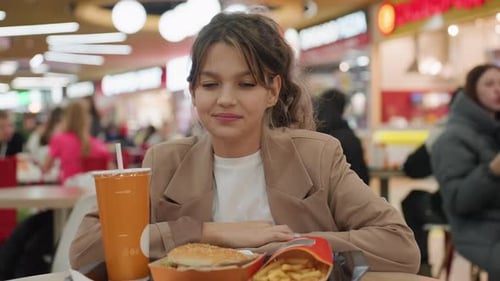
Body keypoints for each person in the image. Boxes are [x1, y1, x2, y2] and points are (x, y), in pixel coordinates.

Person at [69, 12, 419, 273]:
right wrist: (207, 234)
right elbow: (85, 253)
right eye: (209, 85)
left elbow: (400, 246)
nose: (225, 99)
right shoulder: (164, 162)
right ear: (193, 92)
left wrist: (293, 248)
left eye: (246, 84)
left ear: (272, 91)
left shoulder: (317, 155)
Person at [431, 64, 500, 279]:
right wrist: (492, 170)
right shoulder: (453, 138)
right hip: (479, 229)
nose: (497, 89)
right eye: (489, 84)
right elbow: (459, 200)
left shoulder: (493, 130)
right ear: (472, 90)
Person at [401, 88, 460, 276]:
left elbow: (412, 168)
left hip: (457, 209)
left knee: (411, 201)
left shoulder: (447, 131)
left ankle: (423, 265)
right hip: (484, 210)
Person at [42, 100, 111, 184]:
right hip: (95, 192)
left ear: (65, 118)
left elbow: (46, 168)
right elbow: (111, 171)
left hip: (69, 192)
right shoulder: (99, 145)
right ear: (87, 118)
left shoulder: (59, 139)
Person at [315, 88, 370, 184]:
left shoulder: (314, 133)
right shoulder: (349, 136)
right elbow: (363, 177)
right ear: (342, 108)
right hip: (349, 193)